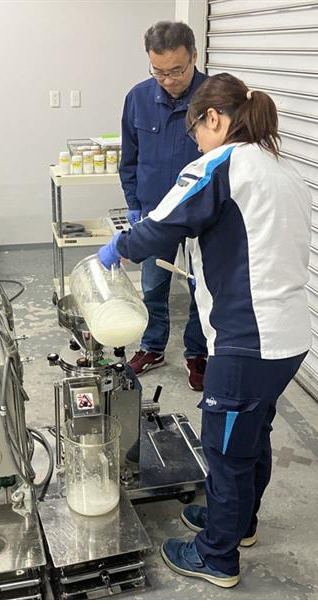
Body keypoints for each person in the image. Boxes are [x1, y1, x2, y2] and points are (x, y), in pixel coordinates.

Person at [99, 73, 312, 588]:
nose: (194, 141)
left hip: (247, 341)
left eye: (195, 128)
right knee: (252, 436)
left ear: (213, 118)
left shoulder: (221, 163)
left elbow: (160, 225)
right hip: (287, 336)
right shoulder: (282, 168)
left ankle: (217, 556)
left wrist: (117, 249)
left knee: (225, 451)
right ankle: (239, 523)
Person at [120, 20, 208, 390]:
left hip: (205, 214)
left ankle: (197, 352)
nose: (168, 80)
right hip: (156, 212)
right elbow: (129, 158)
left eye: (176, 71)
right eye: (158, 71)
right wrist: (134, 203)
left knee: (202, 286)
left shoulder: (214, 100)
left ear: (194, 57)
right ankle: (153, 346)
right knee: (153, 286)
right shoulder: (138, 98)